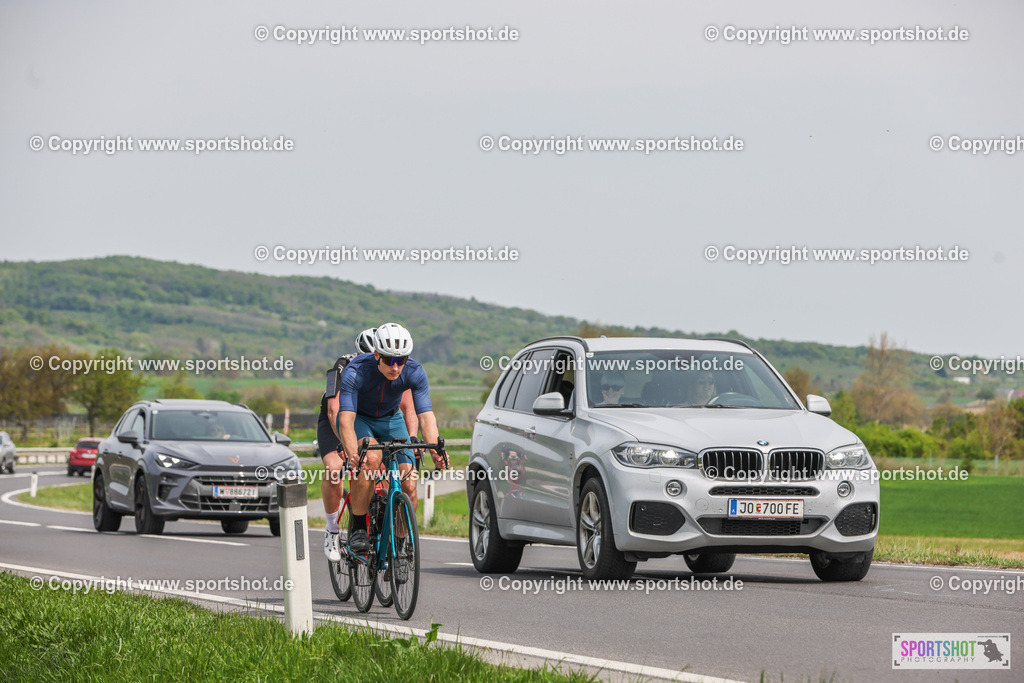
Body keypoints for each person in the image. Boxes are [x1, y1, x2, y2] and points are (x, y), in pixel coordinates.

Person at [328, 322, 446, 554]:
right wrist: (355, 456)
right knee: (370, 461)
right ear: (376, 355)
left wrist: (435, 451)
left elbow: (426, 416)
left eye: (401, 360)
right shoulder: (356, 370)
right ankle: (359, 528)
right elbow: (346, 421)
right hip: (360, 417)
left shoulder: (415, 371)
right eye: (389, 360)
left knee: (409, 482)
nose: (395, 367)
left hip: (392, 419)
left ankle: (402, 546)